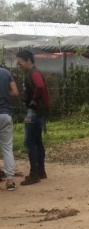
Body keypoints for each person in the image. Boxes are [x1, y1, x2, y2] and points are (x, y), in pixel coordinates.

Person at [15, 50, 49, 185]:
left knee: (29, 142)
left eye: (20, 62)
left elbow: (40, 86)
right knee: (37, 141)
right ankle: (41, 170)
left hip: (35, 111)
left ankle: (34, 173)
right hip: (40, 111)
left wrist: (34, 100)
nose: (19, 65)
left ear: (28, 60)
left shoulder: (34, 73)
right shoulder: (33, 72)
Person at [0, 67, 19, 191]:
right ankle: (10, 181)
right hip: (4, 114)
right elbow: (15, 93)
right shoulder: (6, 72)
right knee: (7, 148)